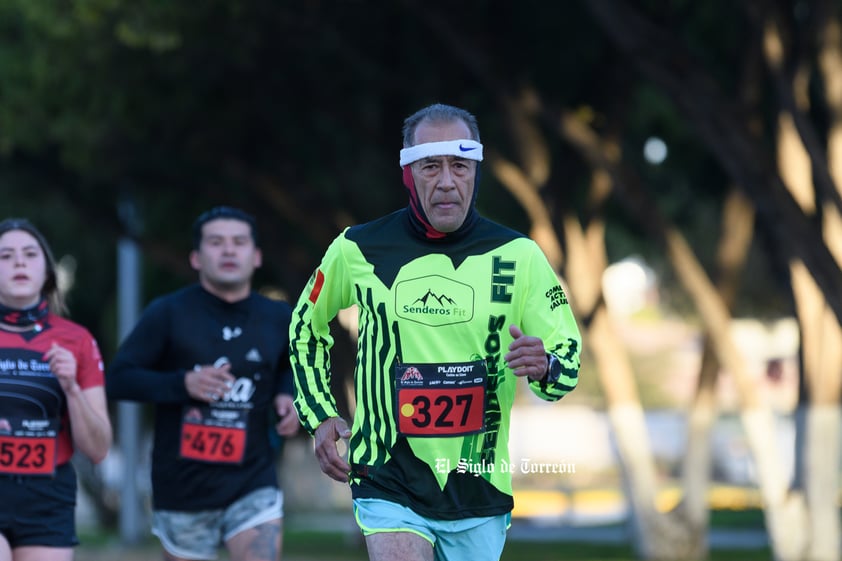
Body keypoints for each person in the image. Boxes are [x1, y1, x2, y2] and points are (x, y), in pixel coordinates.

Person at [289, 103, 582, 561]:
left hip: (478, 481)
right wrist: (320, 414)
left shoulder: (520, 256)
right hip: (388, 475)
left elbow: (567, 357)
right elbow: (306, 325)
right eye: (431, 166)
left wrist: (545, 365)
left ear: (475, 172)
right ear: (408, 174)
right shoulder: (357, 248)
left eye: (459, 166)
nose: (446, 181)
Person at [107, 206, 300, 561]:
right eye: (216, 242)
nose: (228, 250)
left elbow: (294, 365)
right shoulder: (167, 313)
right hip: (182, 490)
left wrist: (288, 394)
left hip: (252, 481)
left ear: (256, 256)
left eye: (239, 242)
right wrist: (183, 384)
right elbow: (118, 380)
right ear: (196, 257)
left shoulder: (278, 317)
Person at [0, 218, 112, 561]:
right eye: (5, 256)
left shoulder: (77, 340)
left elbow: (98, 448)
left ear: (47, 271)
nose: (19, 262)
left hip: (47, 495)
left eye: (30, 254)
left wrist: (73, 389)